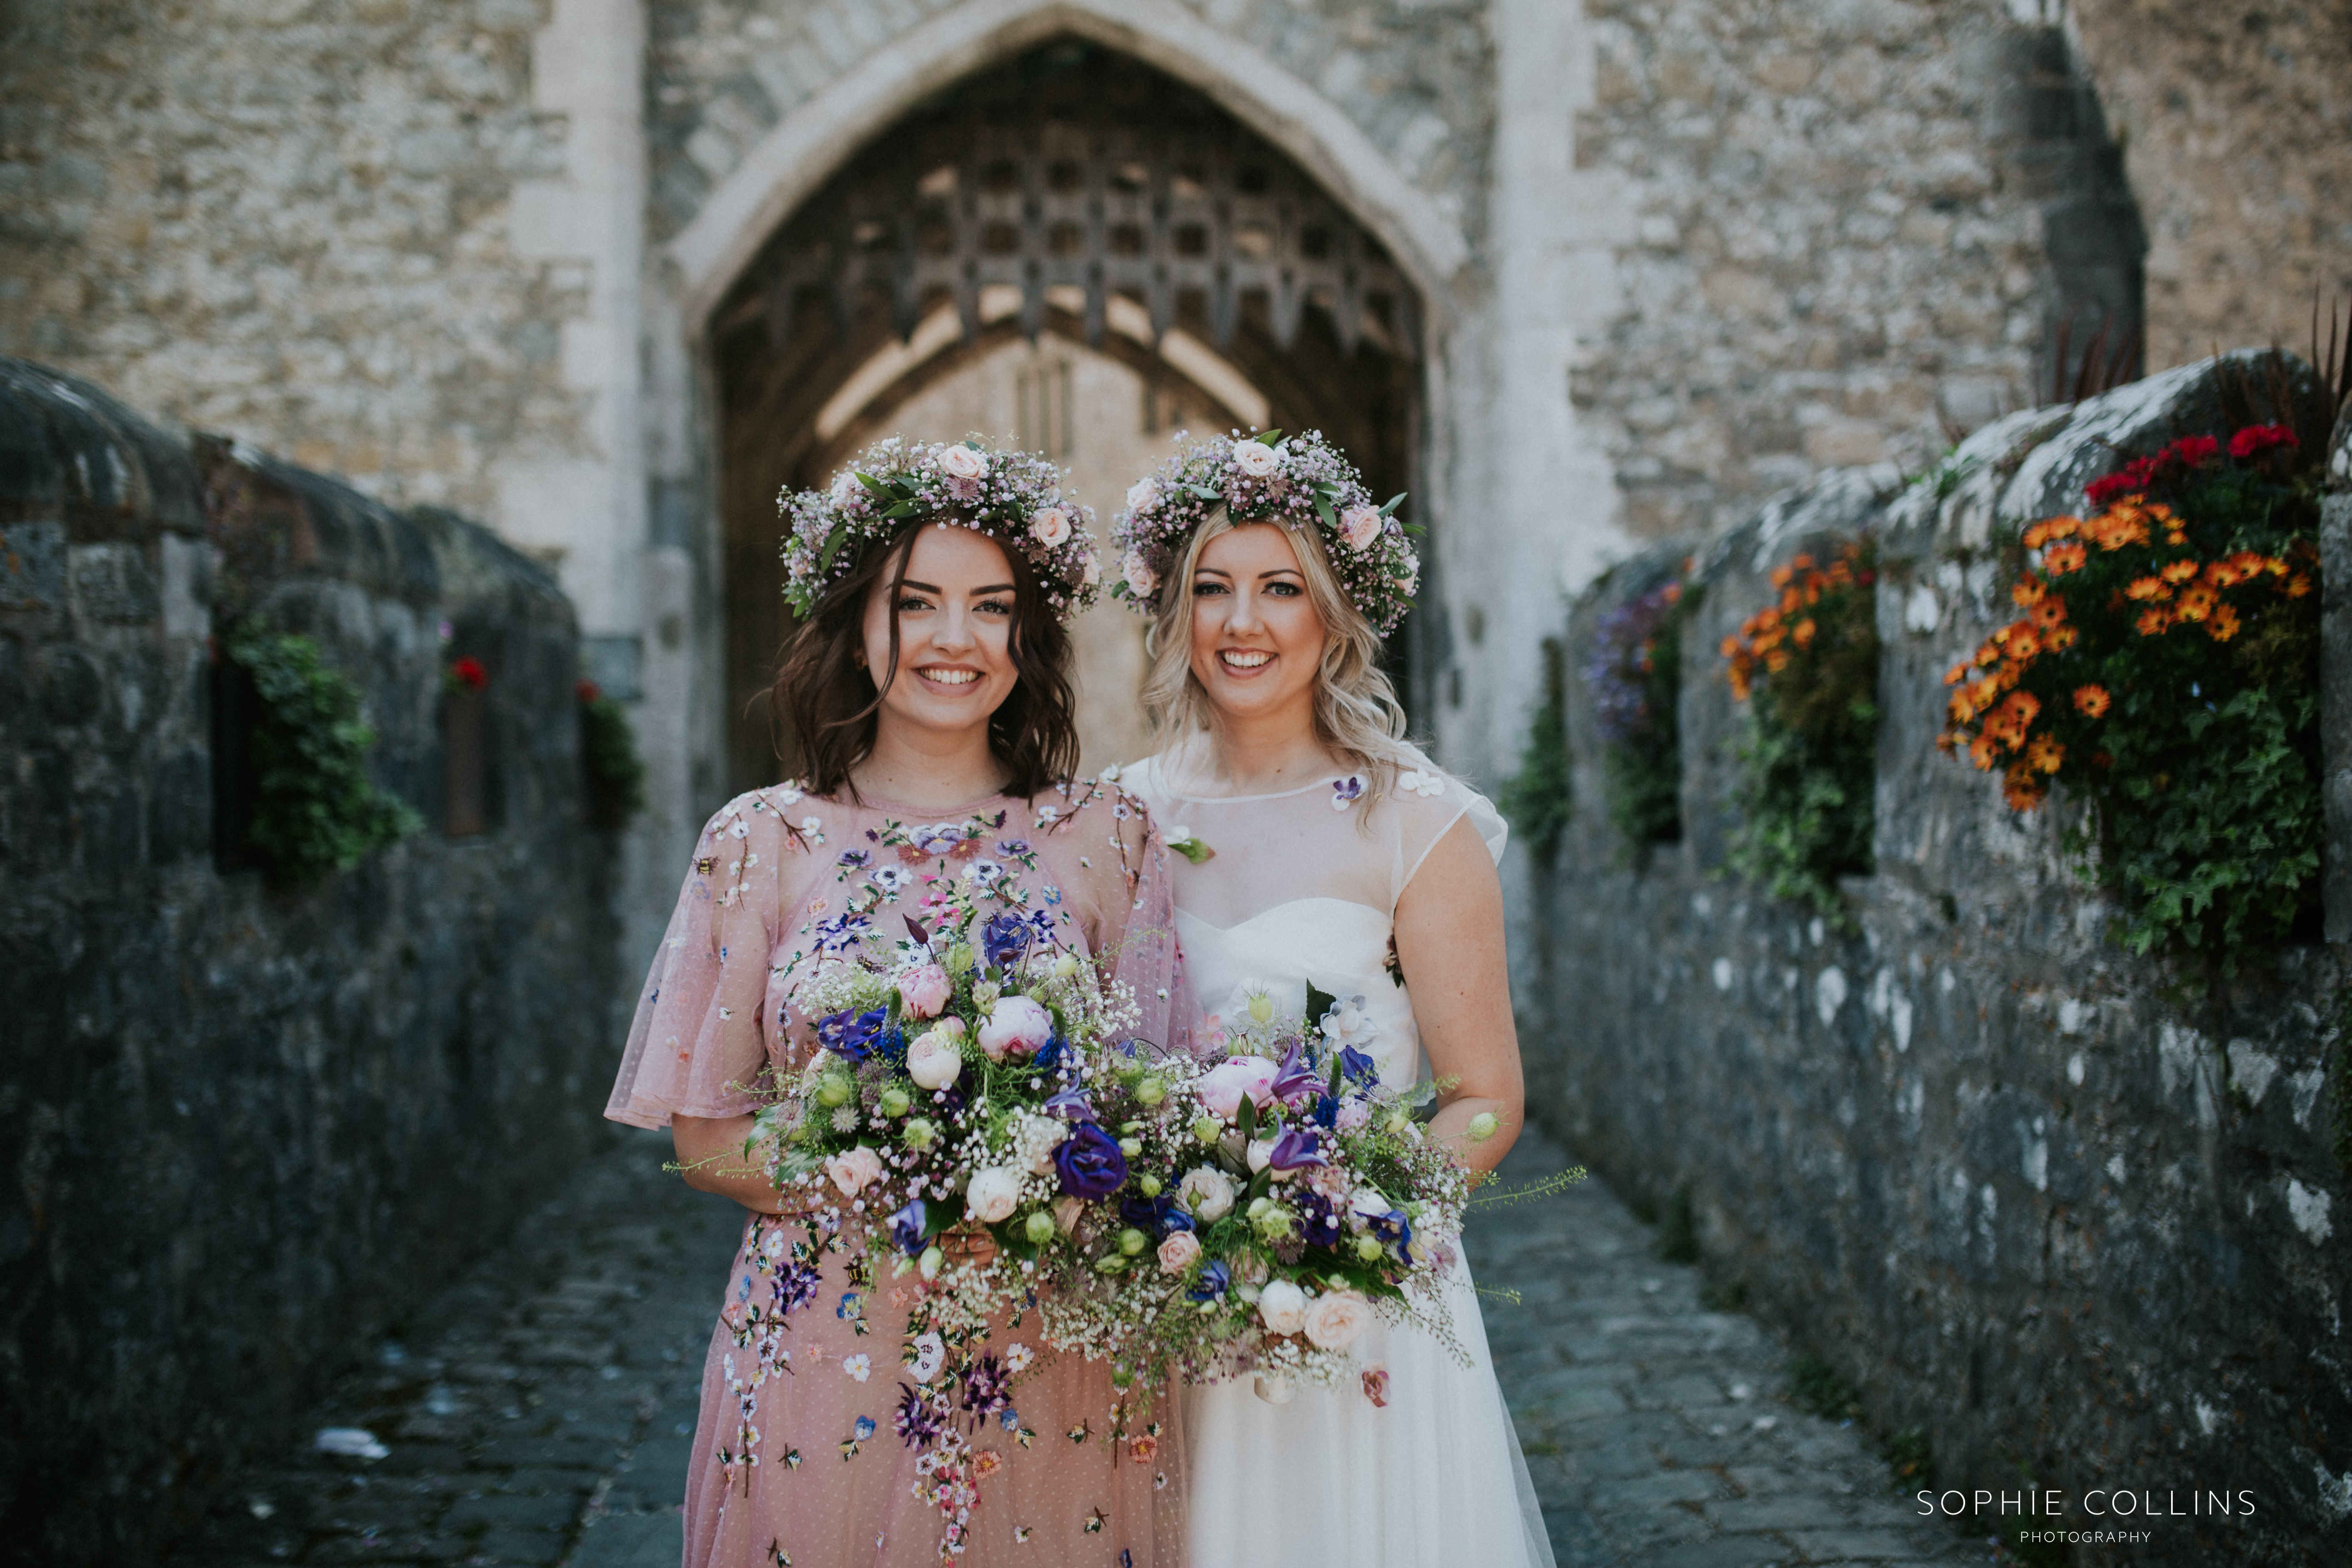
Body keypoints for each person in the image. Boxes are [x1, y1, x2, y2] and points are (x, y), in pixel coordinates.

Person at [605, 437, 1191, 1567]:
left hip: (1052, 1342)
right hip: (827, 1339)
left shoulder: (1109, 838)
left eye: (991, 607)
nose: (954, 640)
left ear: (1028, 634)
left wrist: (1040, 1184)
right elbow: (708, 1138)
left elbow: (1146, 1106)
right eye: (916, 602)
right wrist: (918, 1181)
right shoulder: (759, 841)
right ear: (854, 622)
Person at [1113, 430, 1555, 1567]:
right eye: (1211, 587)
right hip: (1165, 1295)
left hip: (1351, 1302)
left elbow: (1484, 1099)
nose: (1241, 622)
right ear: (1172, 610)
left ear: (1333, 613)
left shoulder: (1415, 822)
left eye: (1279, 588)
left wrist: (1330, 1235)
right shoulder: (1114, 818)